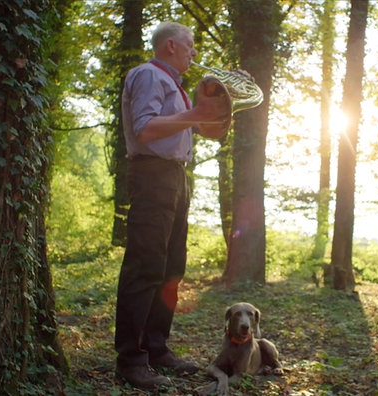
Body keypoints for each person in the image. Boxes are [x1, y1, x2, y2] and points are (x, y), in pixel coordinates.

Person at [114, 21, 230, 390]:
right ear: (169, 46)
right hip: (152, 176)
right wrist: (195, 114)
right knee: (145, 266)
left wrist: (227, 103)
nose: (194, 52)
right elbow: (146, 128)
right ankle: (131, 361)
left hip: (176, 178)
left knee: (170, 269)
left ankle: (156, 348)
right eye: (190, 46)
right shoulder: (149, 75)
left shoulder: (176, 88)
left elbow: (206, 129)